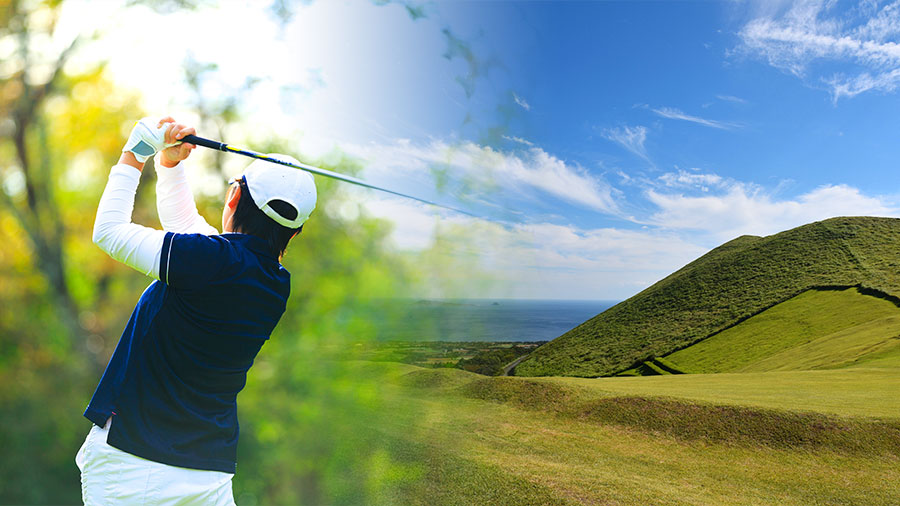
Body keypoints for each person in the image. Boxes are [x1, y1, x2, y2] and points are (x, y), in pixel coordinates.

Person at [75, 117, 316, 504]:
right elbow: (190, 233)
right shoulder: (275, 283)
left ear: (233, 198)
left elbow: (108, 231)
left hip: (133, 463)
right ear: (295, 231)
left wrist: (136, 152)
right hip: (207, 473)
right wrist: (170, 166)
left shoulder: (212, 260)